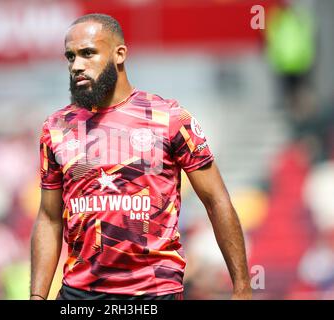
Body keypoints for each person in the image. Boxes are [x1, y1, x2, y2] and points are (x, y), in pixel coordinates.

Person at [30, 13, 251, 300]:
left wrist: (243, 288)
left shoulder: (169, 118)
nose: (77, 66)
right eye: (70, 57)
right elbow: (49, 218)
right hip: (79, 294)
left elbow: (216, 200)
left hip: (153, 293)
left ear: (120, 54)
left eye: (88, 53)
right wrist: (37, 296)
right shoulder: (56, 128)